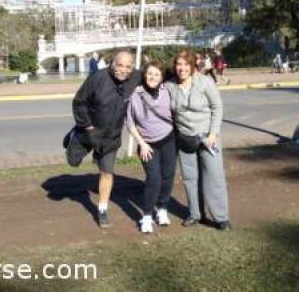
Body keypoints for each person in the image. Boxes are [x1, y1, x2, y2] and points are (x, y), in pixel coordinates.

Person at [72, 51, 141, 228]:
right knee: (72, 161)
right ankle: (75, 137)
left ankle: (102, 210)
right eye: (120, 65)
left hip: (111, 137)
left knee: (107, 172)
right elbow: (79, 102)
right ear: (112, 64)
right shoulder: (98, 78)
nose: (123, 70)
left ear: (132, 68)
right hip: (89, 131)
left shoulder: (135, 77)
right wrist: (87, 126)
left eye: (128, 66)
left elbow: (156, 76)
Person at [166, 50, 231, 231]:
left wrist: (213, 134)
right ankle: (195, 214)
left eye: (186, 64)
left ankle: (221, 217)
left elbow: (217, 107)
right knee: (190, 178)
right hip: (185, 138)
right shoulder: (170, 86)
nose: (182, 68)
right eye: (179, 64)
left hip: (207, 137)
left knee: (214, 176)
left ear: (193, 66)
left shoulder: (205, 82)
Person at [126, 61, 176, 233]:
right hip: (147, 145)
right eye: (149, 74)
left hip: (169, 140)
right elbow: (130, 123)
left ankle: (162, 209)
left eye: (156, 74)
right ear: (144, 75)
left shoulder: (167, 91)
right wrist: (142, 144)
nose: (152, 77)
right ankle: (146, 216)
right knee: (154, 179)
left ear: (162, 78)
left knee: (168, 177)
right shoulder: (136, 95)